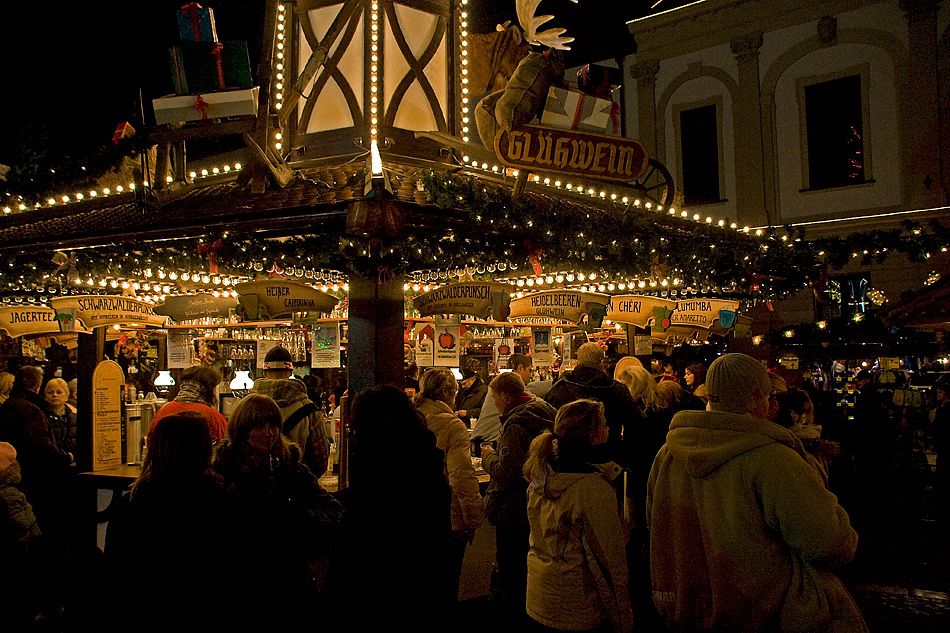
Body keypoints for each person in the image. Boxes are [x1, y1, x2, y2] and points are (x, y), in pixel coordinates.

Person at [647, 353, 865, 633]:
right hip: (763, 613)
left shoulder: (667, 456)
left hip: (687, 613)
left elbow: (656, 526)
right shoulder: (773, 459)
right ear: (757, 396)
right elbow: (829, 541)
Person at [324, 385, 452, 630]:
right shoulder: (423, 462)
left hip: (382, 602)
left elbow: (364, 550)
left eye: (356, 428)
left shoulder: (383, 475)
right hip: (423, 595)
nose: (353, 435)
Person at [212, 393, 343, 627]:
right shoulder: (224, 470)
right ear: (242, 428)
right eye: (259, 425)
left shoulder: (291, 467)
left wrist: (297, 515)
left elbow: (333, 512)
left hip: (288, 579)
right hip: (239, 581)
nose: (269, 432)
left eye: (273, 424)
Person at [104, 412, 237, 631]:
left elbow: (117, 565)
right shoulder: (218, 499)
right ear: (201, 448)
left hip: (148, 609)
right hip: (204, 610)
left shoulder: (135, 500)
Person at [523, 399, 634, 633]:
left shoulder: (541, 473)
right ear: (592, 435)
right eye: (603, 425)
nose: (609, 429)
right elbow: (610, 559)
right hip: (577, 603)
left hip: (540, 592)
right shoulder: (591, 488)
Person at [481, 372, 556, 621]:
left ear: (505, 395)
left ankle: (514, 617)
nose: (494, 403)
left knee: (512, 570)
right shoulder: (544, 410)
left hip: (512, 509)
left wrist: (489, 457)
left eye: (494, 397)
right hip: (538, 502)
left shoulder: (515, 424)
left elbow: (507, 472)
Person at [414, 368, 484, 605]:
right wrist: (475, 518)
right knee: (448, 585)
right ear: (445, 393)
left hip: (414, 514)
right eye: (455, 392)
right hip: (448, 517)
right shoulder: (453, 426)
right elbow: (461, 477)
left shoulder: (413, 419)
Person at [545, 342, 643, 469]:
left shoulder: (559, 389)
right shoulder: (617, 390)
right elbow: (638, 424)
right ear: (601, 362)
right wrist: (623, 453)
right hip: (609, 461)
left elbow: (547, 424)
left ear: (578, 362)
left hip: (568, 464)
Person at [0, 367, 73, 528]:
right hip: (35, 479)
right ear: (38, 386)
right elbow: (41, 446)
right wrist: (65, 457)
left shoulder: (7, 406)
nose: (54, 396)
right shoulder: (32, 410)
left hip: (12, 474)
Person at [0, 441, 61, 626]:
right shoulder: (11, 493)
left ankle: (52, 609)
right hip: (26, 543)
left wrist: (21, 546)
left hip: (23, 546)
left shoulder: (6, 496)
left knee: (34, 578)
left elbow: (21, 525)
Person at [253, 345, 330, 479]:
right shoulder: (308, 409)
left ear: (264, 372)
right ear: (290, 373)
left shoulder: (244, 406)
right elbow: (320, 458)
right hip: (295, 488)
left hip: (253, 489)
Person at [472, 353, 553, 446]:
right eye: (529, 371)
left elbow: (534, 389)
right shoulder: (507, 386)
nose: (531, 376)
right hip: (485, 443)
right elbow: (534, 400)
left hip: (484, 441)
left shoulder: (504, 384)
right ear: (520, 368)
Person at [147, 366, 227, 446]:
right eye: (215, 388)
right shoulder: (213, 416)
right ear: (208, 389)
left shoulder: (164, 410)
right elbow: (222, 448)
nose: (216, 392)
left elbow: (150, 443)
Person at [43, 378, 76, 455]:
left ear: (66, 396)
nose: (54, 395)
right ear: (45, 396)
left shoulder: (73, 416)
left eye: (59, 392)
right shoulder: (41, 416)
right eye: (50, 392)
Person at [455, 361, 488, 428]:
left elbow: (485, 411)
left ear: (472, 379)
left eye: (464, 384)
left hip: (476, 426)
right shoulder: (462, 392)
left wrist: (467, 413)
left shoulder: (483, 391)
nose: (463, 386)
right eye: (461, 384)